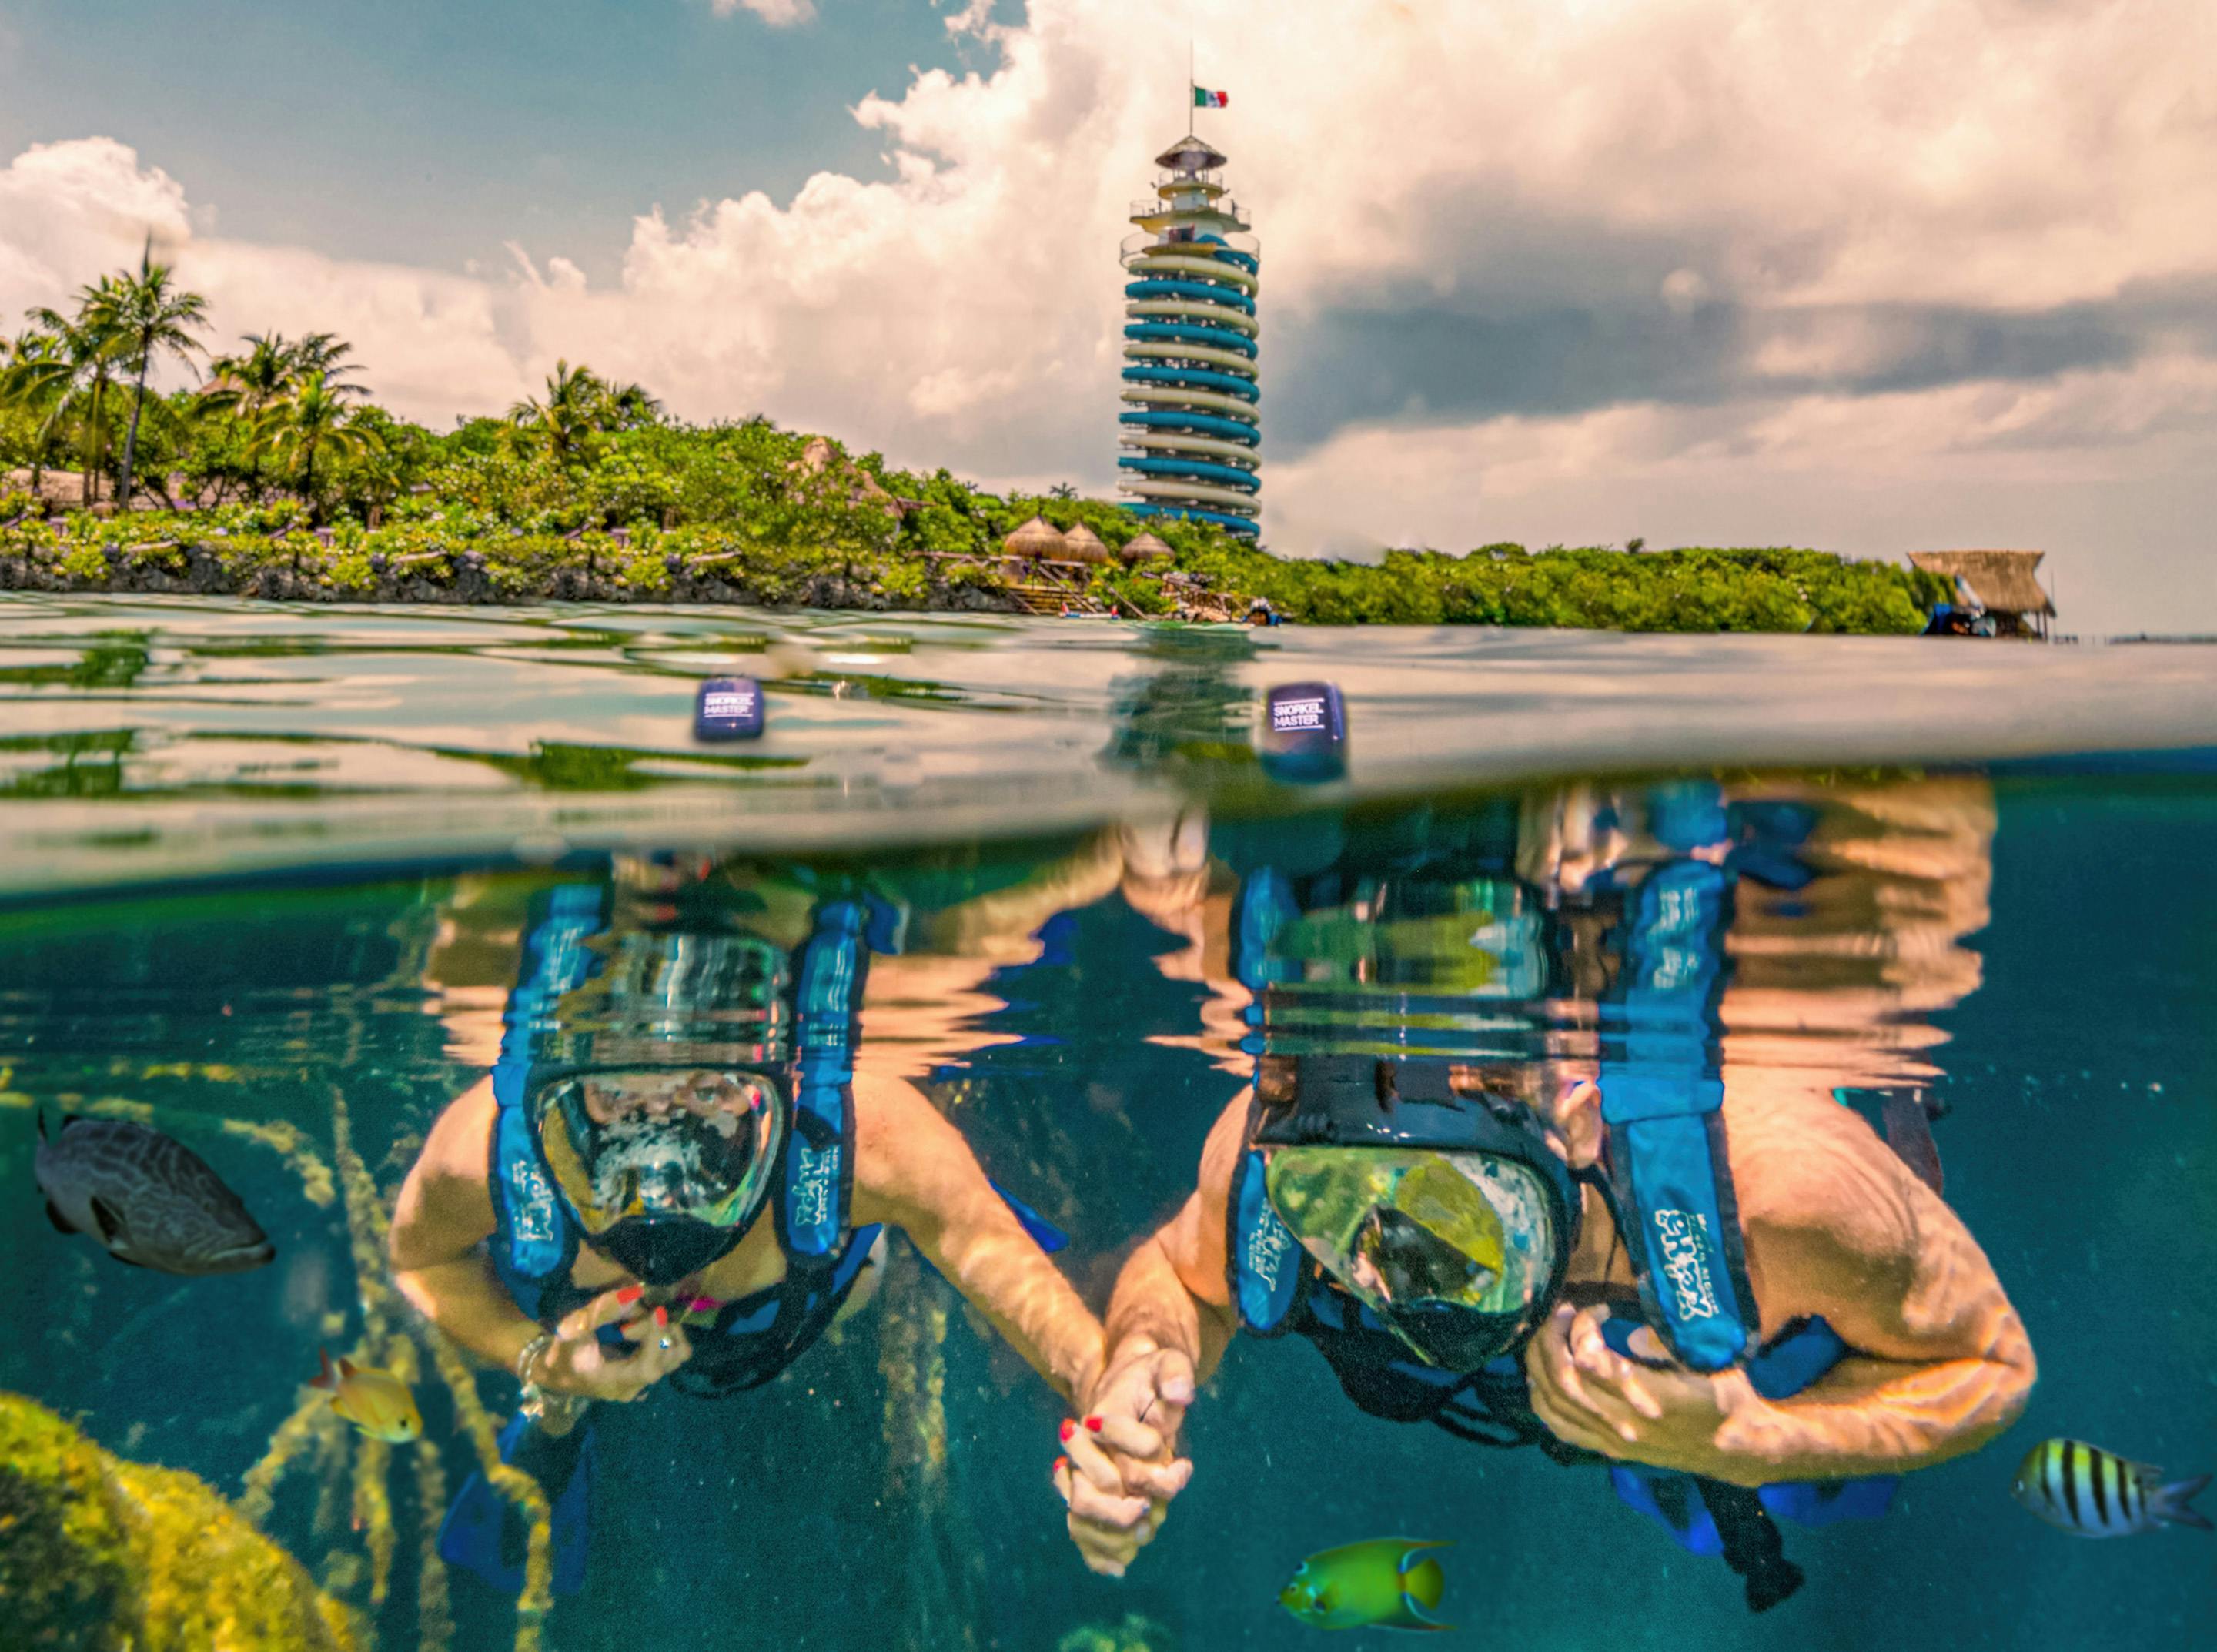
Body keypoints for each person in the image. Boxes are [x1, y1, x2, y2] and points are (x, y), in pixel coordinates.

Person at [1055, 783, 2036, 1610]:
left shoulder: (1777, 1191)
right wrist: (1143, 1361)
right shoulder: (1275, 1160)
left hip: (1763, 1356)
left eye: (1448, 1201)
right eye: (1328, 1197)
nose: (1378, 1268)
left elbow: (1990, 1366)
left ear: (1574, 1125)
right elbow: (1180, 1276)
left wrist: (1755, 1439)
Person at [391, 848, 1127, 1592]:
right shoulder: (490, 1152)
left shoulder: (861, 1140)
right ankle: (559, 1413)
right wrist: (540, 1363)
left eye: (709, 1090)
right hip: (647, 1323)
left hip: (825, 1287)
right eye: (616, 1099)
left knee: (896, 1240)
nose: (660, 1171)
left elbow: (997, 1260)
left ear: (774, 1081)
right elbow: (417, 1260)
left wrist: (1116, 1419)